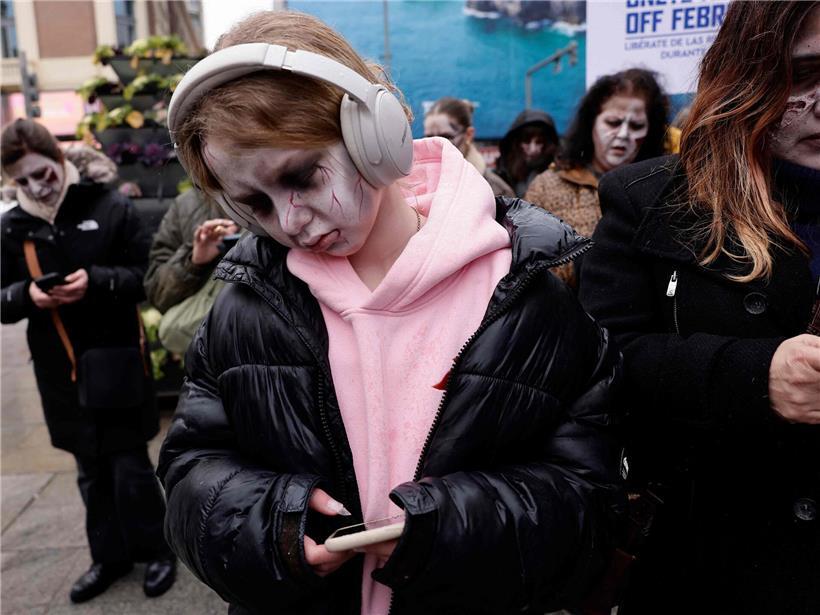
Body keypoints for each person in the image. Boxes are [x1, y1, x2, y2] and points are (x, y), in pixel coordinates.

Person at [157, 10, 624, 615]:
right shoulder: (243, 310)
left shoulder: (529, 293)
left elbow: (589, 502)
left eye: (300, 175)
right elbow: (191, 472)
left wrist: (455, 527)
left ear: (373, 133)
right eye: (255, 205)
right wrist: (265, 524)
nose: (290, 222)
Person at [579, 2, 820, 613]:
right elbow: (600, 364)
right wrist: (755, 376)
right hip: (711, 556)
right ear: (749, 72)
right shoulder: (650, 199)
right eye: (805, 74)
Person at [0, 119, 176, 604]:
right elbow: (1, 300)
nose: (38, 186)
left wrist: (96, 281)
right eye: (23, 180)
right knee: (89, 472)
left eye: (44, 173)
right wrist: (27, 294)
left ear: (60, 160)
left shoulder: (109, 204)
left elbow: (146, 276)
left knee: (130, 467)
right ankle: (109, 558)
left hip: (117, 361)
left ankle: (158, 551)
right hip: (59, 373)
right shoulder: (13, 226)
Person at [525, 69, 668, 288]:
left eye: (636, 126)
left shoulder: (664, 189)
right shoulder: (546, 186)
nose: (623, 135)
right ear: (591, 122)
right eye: (613, 122)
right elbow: (527, 268)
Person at [423, 96, 514, 197]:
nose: (436, 144)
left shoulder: (497, 192)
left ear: (469, 134)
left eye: (446, 137)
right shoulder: (416, 184)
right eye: (429, 137)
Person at [494, 108, 559, 197]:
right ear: (516, 143)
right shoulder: (502, 172)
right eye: (526, 141)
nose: (533, 149)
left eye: (539, 142)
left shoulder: (557, 172)